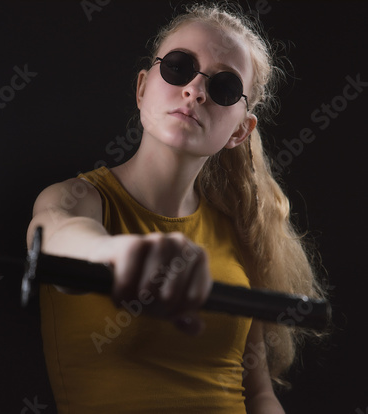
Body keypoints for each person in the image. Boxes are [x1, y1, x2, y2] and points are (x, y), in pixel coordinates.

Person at [26, 2, 327, 413]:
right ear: (141, 87)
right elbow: (57, 236)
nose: (196, 90)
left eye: (223, 87)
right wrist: (121, 254)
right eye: (179, 67)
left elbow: (258, 395)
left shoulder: (237, 231)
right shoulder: (77, 199)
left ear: (240, 130)